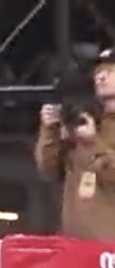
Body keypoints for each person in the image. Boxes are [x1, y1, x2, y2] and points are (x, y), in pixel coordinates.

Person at [35, 48, 115, 241]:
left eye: (110, 72)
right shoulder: (88, 120)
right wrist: (50, 130)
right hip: (75, 244)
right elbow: (49, 169)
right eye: (98, 73)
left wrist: (93, 142)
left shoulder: (92, 131)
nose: (101, 78)